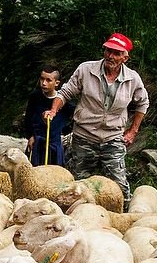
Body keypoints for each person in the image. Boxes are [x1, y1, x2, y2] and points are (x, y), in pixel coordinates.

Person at [45, 31, 148, 184]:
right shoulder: (86, 70)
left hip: (113, 138)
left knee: (119, 187)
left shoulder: (132, 79)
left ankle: (121, 207)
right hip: (84, 136)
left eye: (116, 53)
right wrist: (53, 110)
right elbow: (65, 92)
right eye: (108, 50)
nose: (110, 56)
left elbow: (143, 103)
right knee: (78, 186)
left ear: (125, 58)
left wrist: (133, 131)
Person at [19, 63, 67, 167]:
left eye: (48, 80)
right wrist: (30, 136)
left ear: (56, 83)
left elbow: (71, 117)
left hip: (54, 146)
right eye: (42, 79)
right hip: (37, 144)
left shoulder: (63, 102)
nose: (43, 83)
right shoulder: (35, 97)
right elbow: (28, 118)